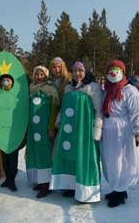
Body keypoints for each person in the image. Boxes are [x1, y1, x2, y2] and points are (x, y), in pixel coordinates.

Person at [50, 61, 103, 203]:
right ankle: (70, 186)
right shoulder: (68, 87)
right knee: (70, 156)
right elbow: (63, 107)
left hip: (85, 129)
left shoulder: (93, 87)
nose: (77, 73)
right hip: (69, 129)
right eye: (75, 71)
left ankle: (85, 191)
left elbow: (99, 110)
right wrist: (59, 120)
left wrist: (97, 129)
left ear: (86, 71)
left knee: (84, 156)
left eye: (80, 70)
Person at [101, 60, 139, 207]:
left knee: (121, 161)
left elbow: (138, 112)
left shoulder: (129, 90)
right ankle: (116, 189)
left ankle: (120, 192)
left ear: (122, 72)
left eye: (117, 69)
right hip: (108, 131)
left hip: (122, 132)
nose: (113, 73)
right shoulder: (106, 90)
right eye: (111, 70)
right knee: (110, 161)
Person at [26, 65, 59, 198]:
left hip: (45, 128)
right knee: (35, 153)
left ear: (46, 75)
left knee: (45, 154)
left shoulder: (51, 89)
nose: (38, 77)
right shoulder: (31, 89)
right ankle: (40, 180)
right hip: (34, 128)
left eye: (41, 74)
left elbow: (54, 110)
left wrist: (51, 127)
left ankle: (46, 184)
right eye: (36, 74)